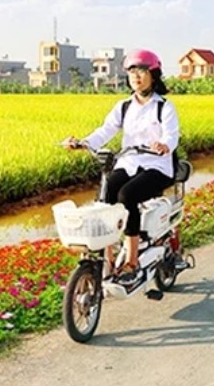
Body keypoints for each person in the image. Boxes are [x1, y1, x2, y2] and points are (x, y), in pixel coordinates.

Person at [64, 49, 180, 285]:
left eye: (143, 71)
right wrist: (84, 143)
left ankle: (132, 261)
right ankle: (107, 259)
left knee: (127, 195)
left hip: (157, 166)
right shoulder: (124, 106)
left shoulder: (164, 107)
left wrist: (164, 145)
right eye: (132, 71)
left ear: (154, 75)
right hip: (129, 163)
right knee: (106, 195)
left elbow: (172, 134)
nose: (137, 76)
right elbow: (105, 130)